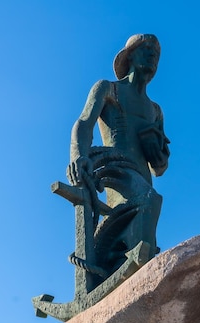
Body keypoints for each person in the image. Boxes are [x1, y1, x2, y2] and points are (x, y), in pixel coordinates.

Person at [67, 34, 170, 279]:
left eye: (156, 52)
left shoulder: (155, 110)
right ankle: (131, 268)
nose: (153, 54)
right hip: (113, 169)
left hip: (142, 178)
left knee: (147, 210)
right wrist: (78, 155)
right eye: (146, 48)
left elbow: (160, 168)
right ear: (130, 56)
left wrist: (158, 155)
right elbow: (83, 123)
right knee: (149, 201)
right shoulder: (108, 88)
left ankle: (125, 268)